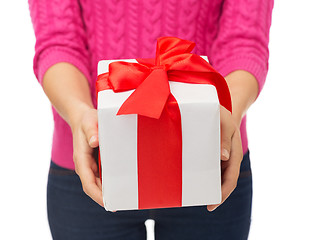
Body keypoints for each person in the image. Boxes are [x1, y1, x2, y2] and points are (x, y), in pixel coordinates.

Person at [28, 0, 273, 239]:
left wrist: (228, 110)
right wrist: (78, 112)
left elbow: (245, 40)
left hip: (211, 159)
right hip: (91, 164)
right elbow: (58, 41)